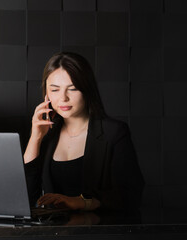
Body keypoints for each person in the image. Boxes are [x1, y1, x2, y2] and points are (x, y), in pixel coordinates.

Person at [24, 52, 144, 211]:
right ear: (46, 93)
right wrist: (35, 138)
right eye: (54, 90)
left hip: (99, 230)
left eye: (72, 89)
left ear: (86, 89)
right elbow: (26, 197)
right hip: (54, 233)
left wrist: (82, 202)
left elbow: (131, 193)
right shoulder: (48, 135)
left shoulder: (113, 133)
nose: (63, 98)